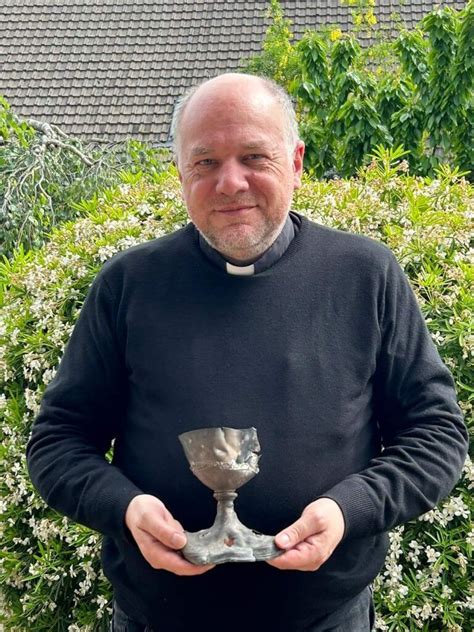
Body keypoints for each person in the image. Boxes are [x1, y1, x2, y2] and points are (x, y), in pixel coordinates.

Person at [27, 73, 468, 632]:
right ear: (180, 173)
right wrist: (125, 509)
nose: (230, 183)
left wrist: (346, 509)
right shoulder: (128, 284)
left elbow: (436, 433)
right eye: (205, 162)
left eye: (254, 157)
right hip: (158, 619)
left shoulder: (365, 275)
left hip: (325, 619)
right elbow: (58, 441)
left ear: (297, 161)